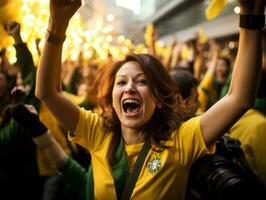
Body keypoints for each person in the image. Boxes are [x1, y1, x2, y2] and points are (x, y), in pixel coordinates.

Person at [35, 0, 265, 199]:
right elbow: (47, 93)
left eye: (142, 82)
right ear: (112, 98)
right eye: (121, 82)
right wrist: (57, 24)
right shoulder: (97, 133)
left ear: (159, 98)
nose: (130, 88)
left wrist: (251, 17)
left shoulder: (181, 141)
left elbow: (239, 98)